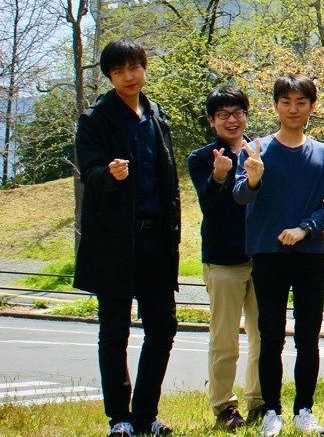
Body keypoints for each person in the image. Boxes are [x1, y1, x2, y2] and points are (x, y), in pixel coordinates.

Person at [74, 39, 182, 437]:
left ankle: (145, 415)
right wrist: (109, 173)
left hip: (157, 240)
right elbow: (90, 171)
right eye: (118, 71)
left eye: (134, 67)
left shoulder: (156, 116)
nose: (129, 76)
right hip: (116, 242)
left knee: (163, 327)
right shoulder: (96, 119)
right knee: (114, 329)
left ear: (144, 66)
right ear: (109, 77)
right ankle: (119, 418)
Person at [233, 75, 324, 437]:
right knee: (270, 335)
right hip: (267, 253)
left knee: (308, 336)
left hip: (310, 253)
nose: (293, 109)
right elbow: (239, 197)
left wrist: (305, 228)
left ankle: (304, 410)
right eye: (286, 102)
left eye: (300, 102)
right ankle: (271, 412)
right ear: (275, 105)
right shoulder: (256, 149)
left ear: (312, 106)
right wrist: (253, 178)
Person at [187, 85, 263, 431]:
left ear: (247, 114)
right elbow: (210, 205)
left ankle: (260, 401)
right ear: (212, 121)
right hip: (222, 260)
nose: (232, 120)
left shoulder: (262, 150)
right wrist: (219, 174)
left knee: (265, 335)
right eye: (223, 115)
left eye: (237, 113)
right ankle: (223, 406)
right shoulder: (201, 158)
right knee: (224, 337)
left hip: (262, 256)